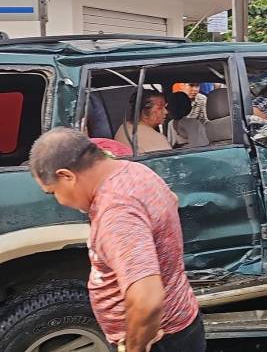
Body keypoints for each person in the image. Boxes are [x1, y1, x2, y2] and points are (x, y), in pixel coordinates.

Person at [28, 128, 205, 352]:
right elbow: (172, 199)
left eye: (53, 192)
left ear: (66, 176)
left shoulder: (115, 211)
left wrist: (135, 346)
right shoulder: (133, 170)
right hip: (180, 320)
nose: (59, 200)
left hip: (162, 339)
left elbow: (147, 300)